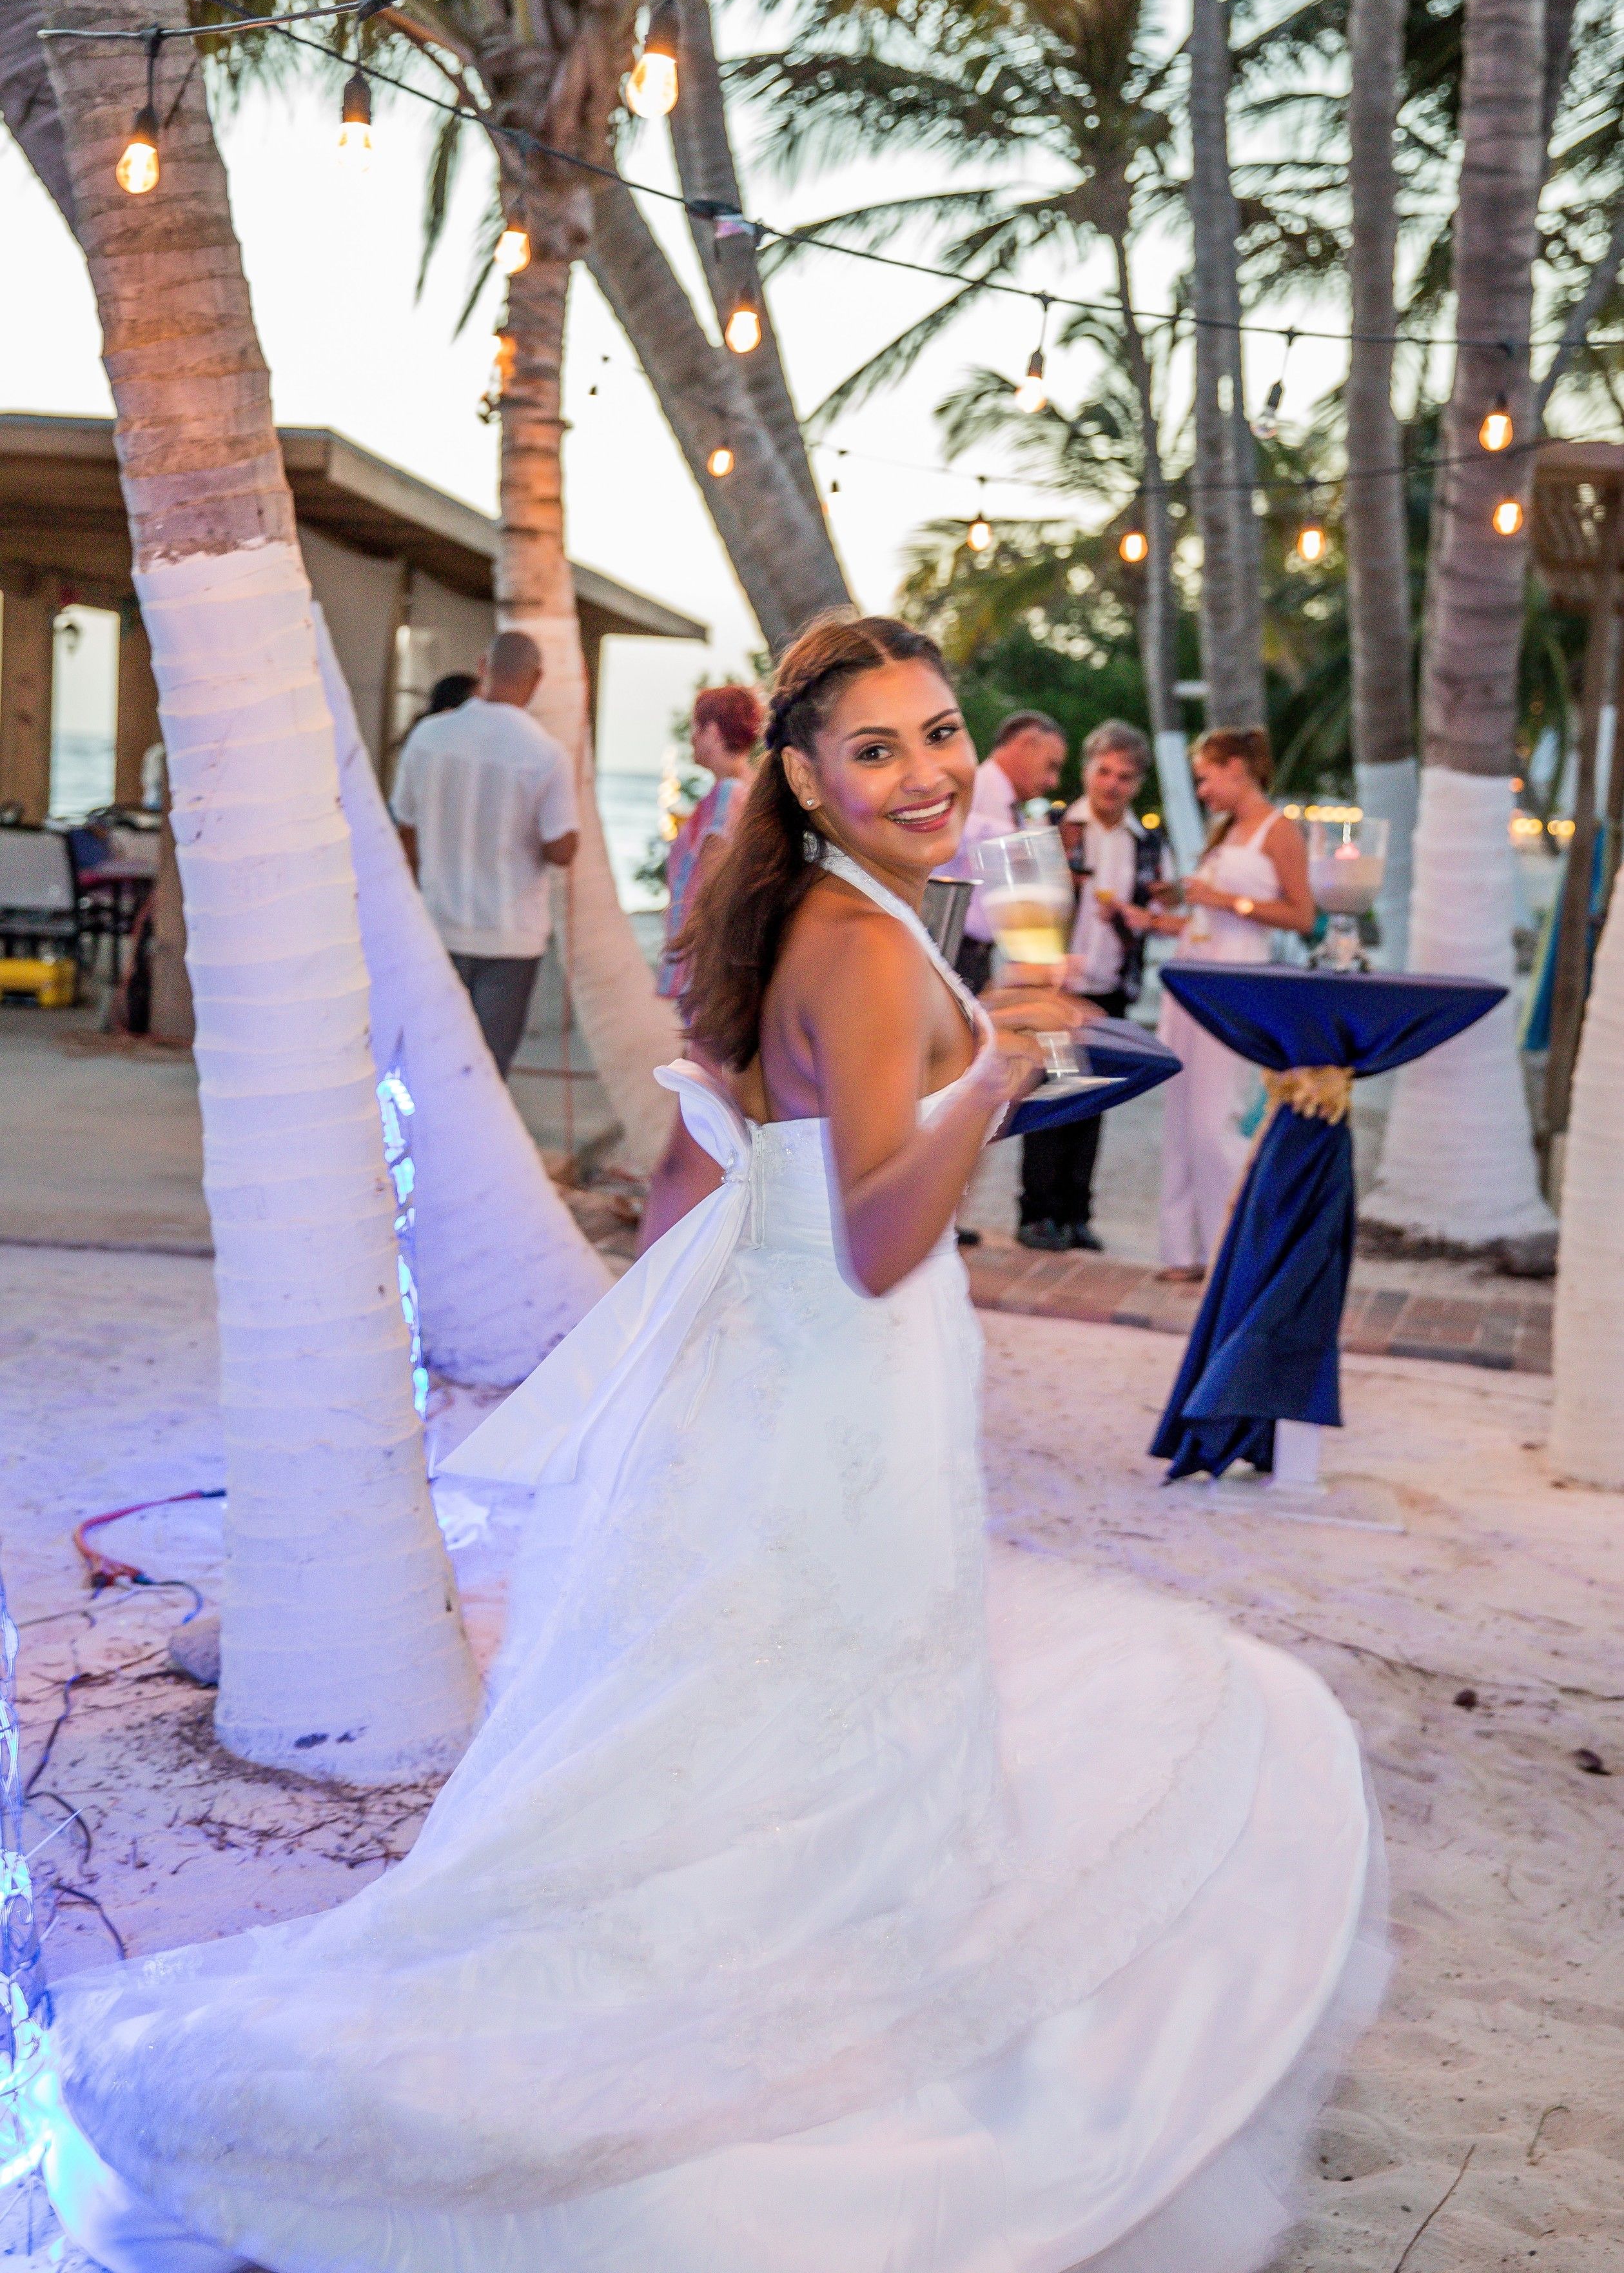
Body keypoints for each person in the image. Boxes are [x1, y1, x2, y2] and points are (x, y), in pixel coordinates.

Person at [30, 619, 1380, 2273]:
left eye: (939, 731)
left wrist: (895, 1155)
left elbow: (712, 1176)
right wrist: (1005, 1068)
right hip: (849, 1358)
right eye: (874, 749)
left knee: (766, 1701)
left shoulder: (806, 912)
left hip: (779, 1356)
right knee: (877, 1694)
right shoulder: (871, 943)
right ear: (804, 778)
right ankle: (818, 2037)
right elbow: (884, 1230)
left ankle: (815, 1974)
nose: (929, 769)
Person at [1138, 727, 1316, 1280]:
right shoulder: (1225, 833)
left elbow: (1302, 916)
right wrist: (1153, 920)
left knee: (1217, 1119)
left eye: (1205, 776)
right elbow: (1201, 919)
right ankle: (1183, 1251)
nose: (1202, 790)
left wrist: (1228, 900)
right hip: (1192, 976)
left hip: (1237, 981)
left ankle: (1234, 1253)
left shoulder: (1277, 830)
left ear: (1236, 768)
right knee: (1181, 1117)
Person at [390, 630, 579, 1081]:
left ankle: (422, 1149)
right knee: (486, 1075)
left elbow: (404, 830)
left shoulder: (428, 737)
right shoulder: (545, 753)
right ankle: (470, 1150)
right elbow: (562, 850)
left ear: (482, 667)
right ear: (536, 680)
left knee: (428, 1062)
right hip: (510, 938)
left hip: (439, 926)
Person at [1017, 720, 1167, 1254]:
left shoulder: (1147, 842)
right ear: (1087, 771)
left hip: (1111, 988)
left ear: (1137, 783)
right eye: (1104, 771)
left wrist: (1142, 915)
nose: (1112, 785)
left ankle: (1076, 1214)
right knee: (1048, 1097)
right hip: (1055, 988)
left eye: (1124, 777)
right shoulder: (1055, 829)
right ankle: (1036, 1215)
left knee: (1093, 1103)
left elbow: (1160, 909)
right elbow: (1023, 905)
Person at [941, 706, 1068, 994]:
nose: (1053, 782)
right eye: (1051, 766)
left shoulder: (1009, 804)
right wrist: (1023, 844)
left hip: (976, 952)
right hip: (952, 948)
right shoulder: (972, 787)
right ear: (1025, 744)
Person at [656, 682, 762, 998]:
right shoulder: (747, 789)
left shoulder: (729, 794)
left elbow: (715, 887)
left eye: (696, 728)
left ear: (714, 732)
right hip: (719, 965)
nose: (691, 739)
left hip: (708, 970)